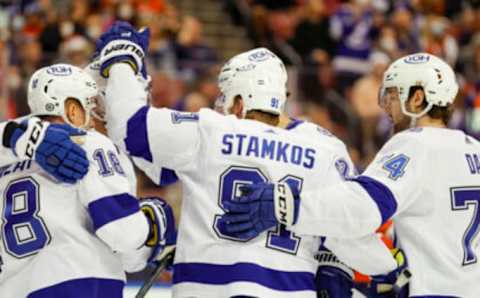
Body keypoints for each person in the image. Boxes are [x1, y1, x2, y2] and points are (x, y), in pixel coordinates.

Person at [95, 22, 398, 297]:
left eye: (225, 97)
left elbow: (129, 127)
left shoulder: (210, 129)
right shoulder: (325, 146)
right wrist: (381, 269)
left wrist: (123, 60)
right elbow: (352, 232)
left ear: (240, 101)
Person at [227, 53, 480, 297]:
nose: (386, 108)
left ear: (417, 98)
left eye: (391, 96)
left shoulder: (416, 144)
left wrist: (287, 205)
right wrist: (391, 270)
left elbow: (362, 208)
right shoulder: (474, 149)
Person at [0, 64, 176, 298]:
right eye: (89, 105)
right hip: (79, 282)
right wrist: (154, 223)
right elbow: (123, 233)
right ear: (72, 109)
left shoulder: (8, 159)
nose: (94, 118)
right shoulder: (88, 142)